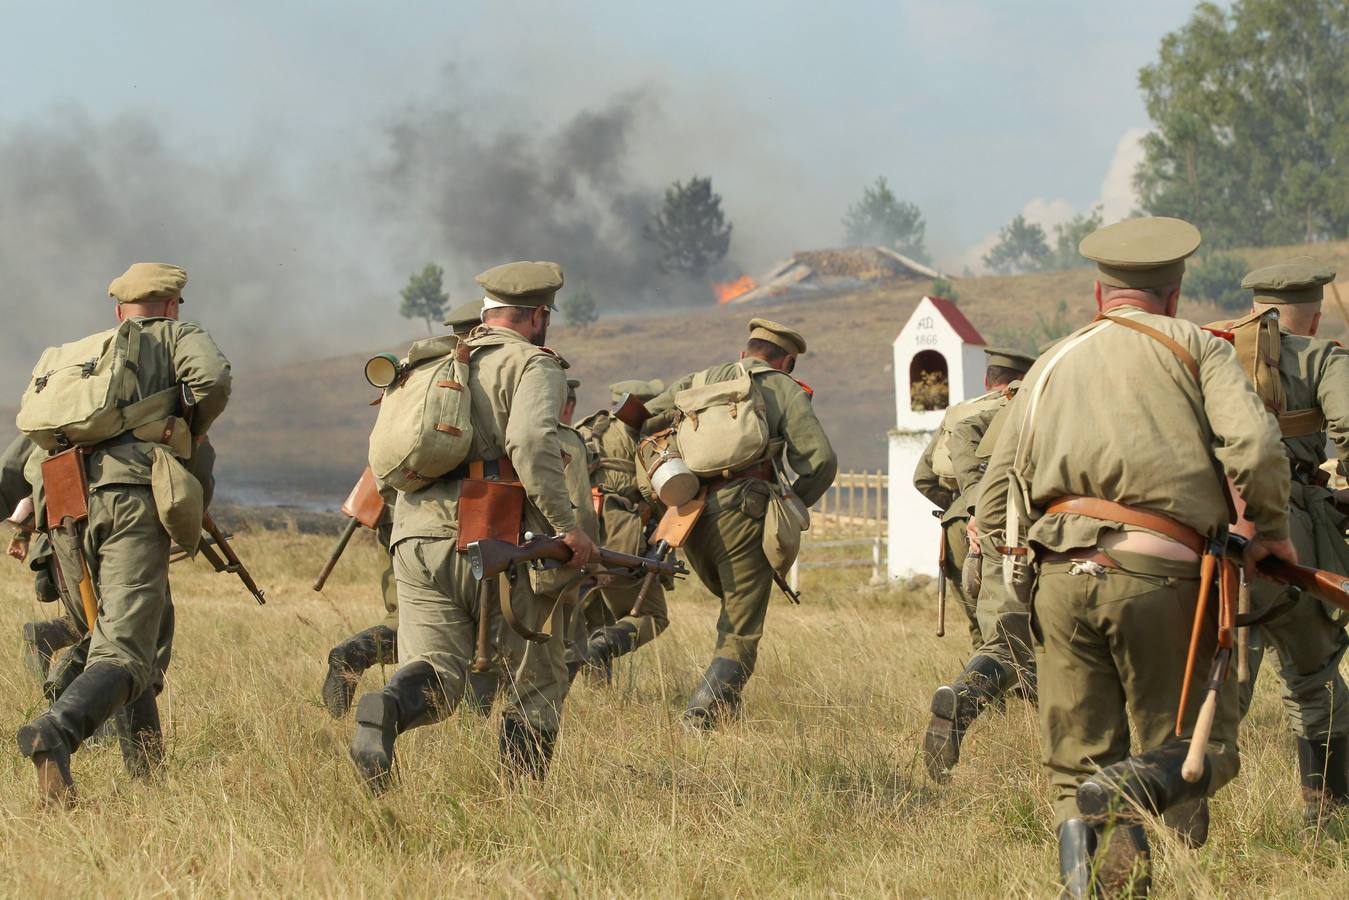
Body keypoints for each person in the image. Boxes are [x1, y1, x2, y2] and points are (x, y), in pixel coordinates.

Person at [976, 218, 1294, 896]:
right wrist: (1271, 530)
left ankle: (1100, 884)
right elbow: (1258, 449)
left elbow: (994, 489)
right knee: (1196, 752)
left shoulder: (1051, 361)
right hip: (1163, 576)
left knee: (1074, 770)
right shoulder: (1194, 350)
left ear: (1100, 294)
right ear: (1173, 294)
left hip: (1057, 579)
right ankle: (1131, 791)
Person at [349, 261, 598, 793]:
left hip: (414, 538)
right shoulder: (532, 364)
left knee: (437, 670)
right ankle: (518, 802)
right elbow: (531, 445)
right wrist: (565, 526)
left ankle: (388, 709)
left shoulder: (428, 361)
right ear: (537, 316)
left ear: (486, 310)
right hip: (493, 536)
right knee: (538, 675)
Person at [16, 263, 231, 805]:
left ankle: (146, 773)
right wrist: (183, 428)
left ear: (119, 311)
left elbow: (22, 452)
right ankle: (56, 732)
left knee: (117, 631)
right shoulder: (178, 336)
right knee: (127, 650)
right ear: (173, 305)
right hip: (131, 500)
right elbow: (213, 379)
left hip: (65, 507)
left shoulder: (82, 368)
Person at [643, 318, 836, 729]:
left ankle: (726, 713)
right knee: (741, 625)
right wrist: (792, 505)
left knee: (730, 603)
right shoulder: (782, 387)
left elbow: (641, 421)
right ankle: (702, 713)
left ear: (743, 353)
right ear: (786, 361)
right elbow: (821, 460)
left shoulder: (698, 382)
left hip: (689, 515)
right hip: (746, 512)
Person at [1215, 260, 1349, 824]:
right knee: (1314, 680)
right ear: (1313, 314)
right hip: (1287, 537)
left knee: (1217, 682)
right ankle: (1326, 818)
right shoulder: (1321, 356)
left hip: (1208, 537)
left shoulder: (1208, 354)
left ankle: (1173, 796)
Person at [322, 300, 484, 718]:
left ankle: (355, 655)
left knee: (415, 620)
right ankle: (362, 662)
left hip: (403, 514)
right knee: (442, 628)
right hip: (458, 520)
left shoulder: (420, 372)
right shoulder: (477, 376)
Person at [917, 346, 1036, 782]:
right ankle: (980, 700)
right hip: (1039, 530)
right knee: (1038, 638)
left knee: (995, 636)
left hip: (977, 530)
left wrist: (967, 508)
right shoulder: (1042, 398)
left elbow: (923, 477)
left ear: (990, 379)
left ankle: (967, 698)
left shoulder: (967, 412)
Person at [465, 375, 600, 713]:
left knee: (475, 642)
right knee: (549, 664)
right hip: (532, 567)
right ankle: (522, 759)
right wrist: (589, 556)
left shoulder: (479, 433)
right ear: (564, 405)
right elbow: (580, 507)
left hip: (468, 544)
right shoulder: (563, 439)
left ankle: (472, 719)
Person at [572, 378, 670, 680]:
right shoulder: (647, 438)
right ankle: (600, 650)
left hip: (577, 530)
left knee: (596, 619)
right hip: (618, 533)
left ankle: (601, 699)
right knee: (654, 616)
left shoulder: (586, 429)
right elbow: (654, 492)